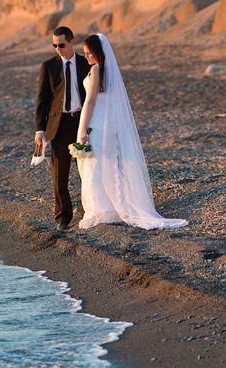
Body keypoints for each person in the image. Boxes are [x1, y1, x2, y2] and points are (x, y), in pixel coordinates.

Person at [75, 33, 187, 230]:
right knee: (106, 164)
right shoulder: (108, 71)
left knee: (93, 166)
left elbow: (91, 100)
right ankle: (108, 208)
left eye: (89, 53)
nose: (87, 58)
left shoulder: (95, 70)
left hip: (95, 122)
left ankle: (96, 210)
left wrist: (84, 127)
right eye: (84, 54)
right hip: (106, 124)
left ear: (98, 53)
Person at [34, 26, 90, 231]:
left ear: (71, 42)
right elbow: (42, 101)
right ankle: (63, 217)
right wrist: (39, 131)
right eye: (54, 45)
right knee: (60, 176)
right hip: (58, 126)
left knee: (86, 171)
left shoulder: (86, 64)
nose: (58, 48)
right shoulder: (48, 66)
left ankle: (87, 212)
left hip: (81, 124)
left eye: (61, 44)